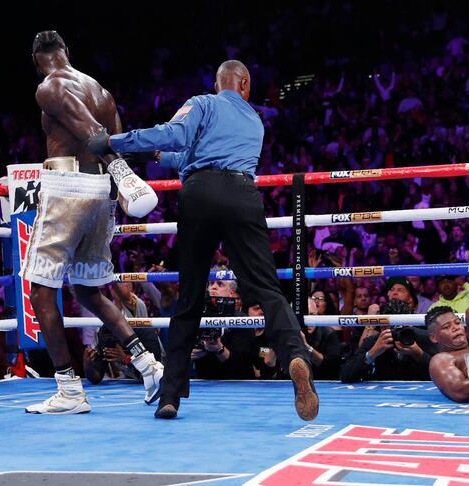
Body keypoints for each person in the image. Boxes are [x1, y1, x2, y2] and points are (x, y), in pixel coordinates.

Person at [88, 60, 318, 420]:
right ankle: (297, 359)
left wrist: (113, 141)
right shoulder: (255, 121)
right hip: (243, 194)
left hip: (200, 196)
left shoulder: (204, 103)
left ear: (218, 84)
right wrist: (162, 157)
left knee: (190, 296)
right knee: (268, 291)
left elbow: (175, 134)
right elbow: (194, 152)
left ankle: (170, 396)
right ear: (244, 84)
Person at [23, 31, 163, 414]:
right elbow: (115, 136)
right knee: (88, 290)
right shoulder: (99, 89)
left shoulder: (49, 87)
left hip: (67, 188)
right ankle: (148, 365)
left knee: (40, 290)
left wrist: (122, 170)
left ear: (38, 60)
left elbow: (97, 135)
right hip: (101, 193)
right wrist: (123, 176)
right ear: (66, 51)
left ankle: (69, 391)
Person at [83, 283, 164, 384]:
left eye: (123, 282)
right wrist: (88, 367)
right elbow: (95, 377)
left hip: (156, 366)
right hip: (129, 381)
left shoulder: (136, 304)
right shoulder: (107, 330)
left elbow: (155, 376)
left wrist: (125, 359)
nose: (114, 287)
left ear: (131, 288)